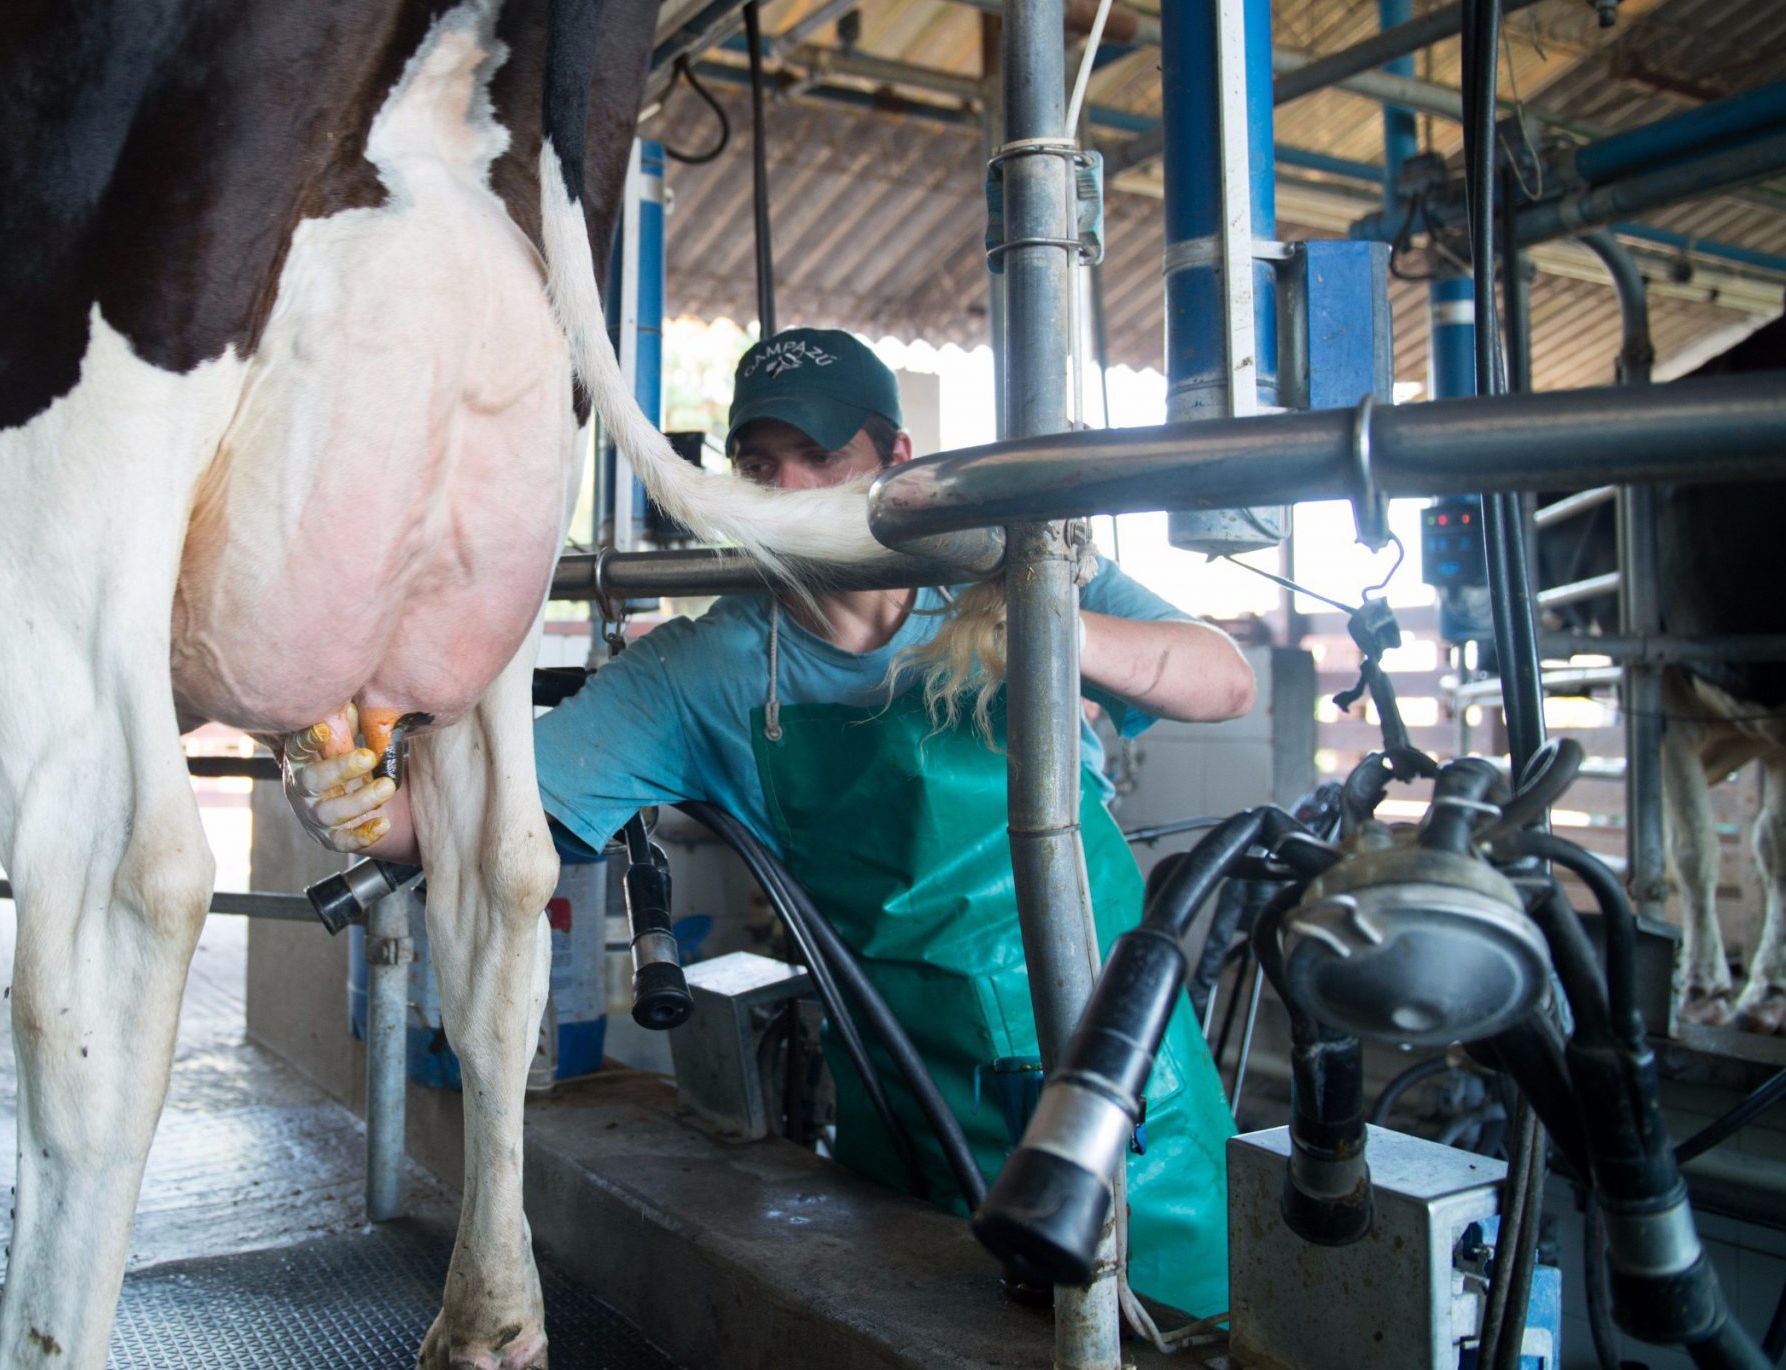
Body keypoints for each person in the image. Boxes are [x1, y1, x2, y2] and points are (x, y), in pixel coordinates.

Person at [283, 327, 1256, 1320]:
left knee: (1189, 1332)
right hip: (903, 1095)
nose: (786, 487)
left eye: (820, 455)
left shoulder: (1009, 573)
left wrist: (1055, 628)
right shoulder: (709, 668)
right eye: (757, 464)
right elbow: (481, 818)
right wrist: (339, 781)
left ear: (896, 459)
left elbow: (1222, 677)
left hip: (1120, 1079)